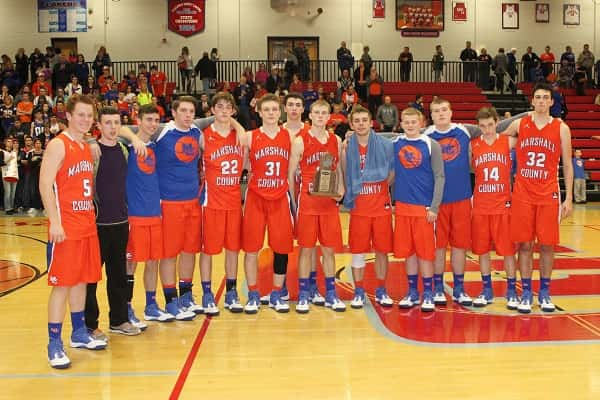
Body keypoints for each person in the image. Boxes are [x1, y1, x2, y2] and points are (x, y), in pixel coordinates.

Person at [40, 94, 107, 369]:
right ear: (68, 115)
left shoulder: (85, 146)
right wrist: (54, 221)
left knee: (82, 280)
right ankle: (54, 343)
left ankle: (79, 332)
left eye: (89, 116)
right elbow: (45, 186)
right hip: (65, 228)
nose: (86, 120)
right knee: (62, 285)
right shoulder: (58, 145)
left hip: (86, 225)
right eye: (81, 114)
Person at [502, 82, 574, 313]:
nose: (542, 101)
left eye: (546, 98)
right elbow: (497, 142)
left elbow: (568, 165)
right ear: (531, 101)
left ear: (552, 102)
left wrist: (569, 198)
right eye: (538, 97)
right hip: (522, 193)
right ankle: (525, 292)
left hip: (548, 194)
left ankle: (544, 292)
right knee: (524, 244)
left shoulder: (562, 128)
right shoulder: (519, 124)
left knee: (547, 245)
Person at [85, 107, 142, 337]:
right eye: (107, 123)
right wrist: (89, 140)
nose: (112, 127)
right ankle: (90, 325)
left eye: (116, 122)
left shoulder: (123, 149)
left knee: (117, 276)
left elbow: (139, 130)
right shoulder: (91, 150)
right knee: (91, 278)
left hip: (120, 221)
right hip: (96, 224)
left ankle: (118, 320)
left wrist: (132, 136)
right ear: (98, 125)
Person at [121, 104, 178, 324]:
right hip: (135, 214)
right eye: (149, 120)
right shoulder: (127, 144)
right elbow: (115, 128)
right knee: (131, 263)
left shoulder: (157, 145)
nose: (153, 124)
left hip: (156, 212)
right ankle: (126, 308)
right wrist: (134, 138)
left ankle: (151, 305)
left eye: (156, 120)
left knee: (153, 260)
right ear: (138, 120)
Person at [288, 100, 346, 313]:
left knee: (329, 250)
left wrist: (341, 187)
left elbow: (337, 169)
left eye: (324, 113)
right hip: (308, 202)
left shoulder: (336, 140)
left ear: (329, 115)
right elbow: (290, 174)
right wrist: (294, 203)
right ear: (310, 115)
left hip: (329, 202)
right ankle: (304, 294)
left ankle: (331, 293)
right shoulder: (300, 141)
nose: (320, 116)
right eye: (317, 113)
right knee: (306, 249)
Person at [241, 94, 295, 313]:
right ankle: (253, 293)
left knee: (281, 248)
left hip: (280, 197)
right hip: (255, 198)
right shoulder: (249, 137)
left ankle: (276, 293)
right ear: (259, 112)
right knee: (251, 248)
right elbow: (242, 164)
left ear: (280, 112)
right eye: (267, 110)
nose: (271, 113)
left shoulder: (290, 136)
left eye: (275, 109)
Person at [341, 105, 395, 309]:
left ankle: (381, 289)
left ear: (371, 122)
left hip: (380, 206)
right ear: (351, 123)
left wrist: (377, 187)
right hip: (359, 207)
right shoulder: (347, 147)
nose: (361, 124)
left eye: (365, 120)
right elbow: (346, 174)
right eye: (357, 121)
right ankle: (359, 290)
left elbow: (391, 174)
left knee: (382, 251)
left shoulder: (385, 144)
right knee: (358, 251)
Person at [393, 108, 444, 312]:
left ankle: (428, 294)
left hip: (424, 208)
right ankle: (413, 292)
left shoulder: (431, 145)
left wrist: (434, 207)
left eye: (414, 121)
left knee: (425, 254)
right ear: (401, 123)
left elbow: (440, 176)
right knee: (409, 253)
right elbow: (374, 140)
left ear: (422, 123)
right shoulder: (395, 143)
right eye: (406, 121)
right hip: (403, 207)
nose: (410, 125)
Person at [199, 92, 246, 315]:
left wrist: (239, 127)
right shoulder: (203, 136)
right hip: (212, 202)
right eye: (220, 106)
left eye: (229, 107)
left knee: (233, 250)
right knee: (208, 250)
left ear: (233, 110)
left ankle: (231, 291)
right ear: (212, 110)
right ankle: (207, 293)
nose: (224, 110)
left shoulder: (241, 136)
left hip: (234, 202)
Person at [424, 98, 474, 306]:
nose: (441, 114)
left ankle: (459, 288)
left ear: (451, 112)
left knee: (460, 246)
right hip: (437, 202)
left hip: (462, 198)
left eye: (444, 110)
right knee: (438, 247)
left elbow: (495, 126)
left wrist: (528, 115)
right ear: (432, 115)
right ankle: (437, 288)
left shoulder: (464, 131)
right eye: (436, 111)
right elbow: (397, 137)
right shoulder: (426, 136)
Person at [471, 107, 517, 308]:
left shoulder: (508, 141)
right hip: (481, 205)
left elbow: (526, 129)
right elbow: (472, 169)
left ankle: (512, 290)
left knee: (508, 251)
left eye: (490, 125)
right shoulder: (473, 145)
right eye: (482, 126)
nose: (487, 130)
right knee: (482, 251)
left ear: (497, 122)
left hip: (503, 204)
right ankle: (487, 289)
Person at [1, 137, 19, 214]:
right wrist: (9, 159)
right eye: (8, 141)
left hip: (14, 174)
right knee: (7, 193)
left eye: (11, 142)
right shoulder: (2, 152)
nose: (10, 143)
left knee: (13, 193)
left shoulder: (14, 152)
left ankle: (11, 207)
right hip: (6, 174)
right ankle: (7, 208)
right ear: (5, 143)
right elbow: (1, 163)